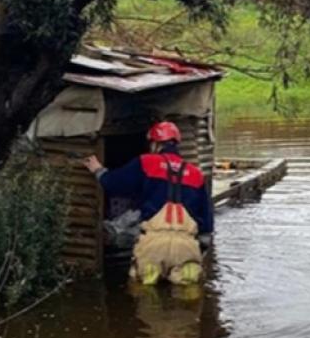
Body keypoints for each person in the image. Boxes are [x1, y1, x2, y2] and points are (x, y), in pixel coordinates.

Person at [83, 121, 214, 286]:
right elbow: (207, 225)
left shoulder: (145, 162)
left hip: (153, 244)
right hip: (186, 246)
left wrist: (98, 170)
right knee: (188, 297)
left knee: (146, 295)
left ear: (155, 144)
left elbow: (114, 184)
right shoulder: (196, 174)